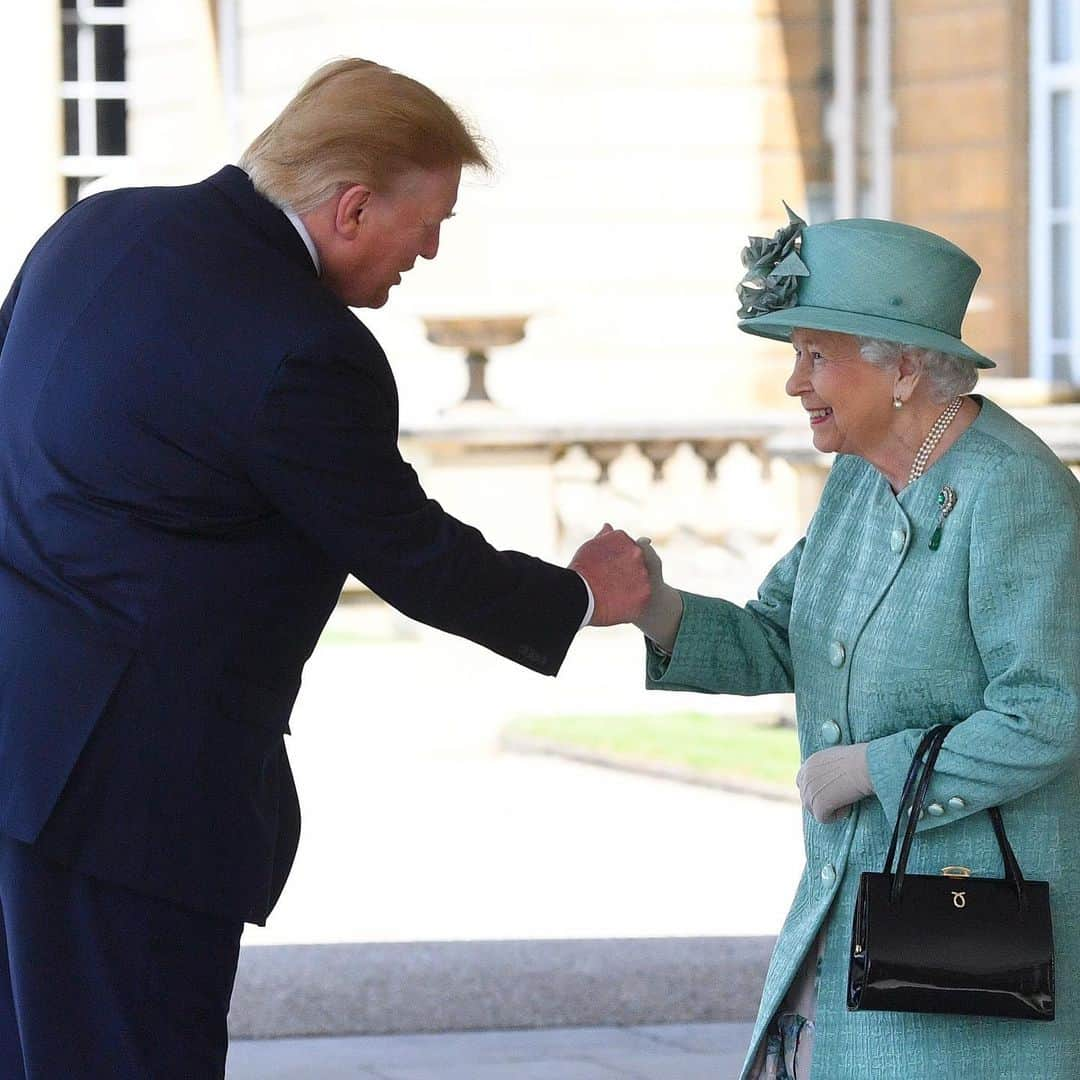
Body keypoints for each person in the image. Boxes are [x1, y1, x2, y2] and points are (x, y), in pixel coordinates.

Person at [0, 59, 648, 1078]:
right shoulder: (305, 347)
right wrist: (581, 596)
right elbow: (411, 552)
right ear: (351, 207)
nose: (430, 251)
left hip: (17, 748)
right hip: (134, 796)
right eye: (429, 221)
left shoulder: (92, 231)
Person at [627, 208, 1080, 1077]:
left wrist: (876, 768)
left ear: (904, 367)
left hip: (968, 944)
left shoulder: (1013, 493)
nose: (795, 383)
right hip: (856, 920)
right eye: (794, 355)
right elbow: (777, 636)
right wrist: (656, 607)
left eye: (814, 354)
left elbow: (1048, 714)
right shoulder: (859, 482)